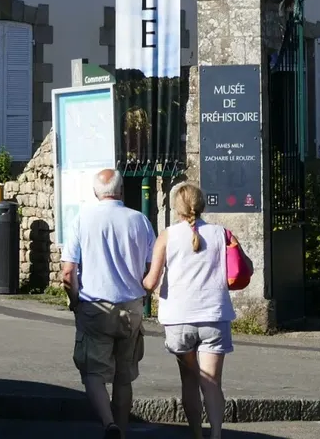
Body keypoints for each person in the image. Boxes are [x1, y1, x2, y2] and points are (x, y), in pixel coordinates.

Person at [61, 169, 155, 439]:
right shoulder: (140, 220)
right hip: (131, 305)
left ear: (95, 193)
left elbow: (68, 273)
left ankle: (108, 424)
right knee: (124, 377)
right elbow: (151, 267)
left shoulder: (82, 220)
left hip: (95, 306)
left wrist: (75, 300)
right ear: (122, 190)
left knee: (93, 372)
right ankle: (122, 431)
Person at [143, 182, 234, 439]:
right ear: (202, 205)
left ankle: (196, 434)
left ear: (176, 208)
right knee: (212, 383)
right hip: (214, 317)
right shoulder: (221, 233)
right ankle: (216, 434)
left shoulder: (168, 235)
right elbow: (243, 266)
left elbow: (151, 281)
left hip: (179, 319)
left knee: (190, 382)